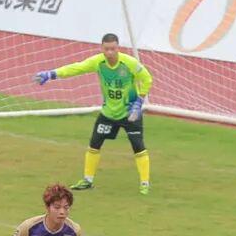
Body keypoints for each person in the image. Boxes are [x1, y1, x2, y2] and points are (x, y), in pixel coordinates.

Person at [33, 33, 154, 195]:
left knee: (138, 147)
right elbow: (77, 68)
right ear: (102, 48)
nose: (110, 52)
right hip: (108, 113)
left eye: (113, 49)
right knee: (94, 145)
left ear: (118, 48)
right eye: (106, 49)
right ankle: (87, 181)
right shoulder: (98, 62)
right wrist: (51, 74)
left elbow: (147, 78)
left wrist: (139, 102)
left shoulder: (130, 63)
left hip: (130, 113)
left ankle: (144, 183)